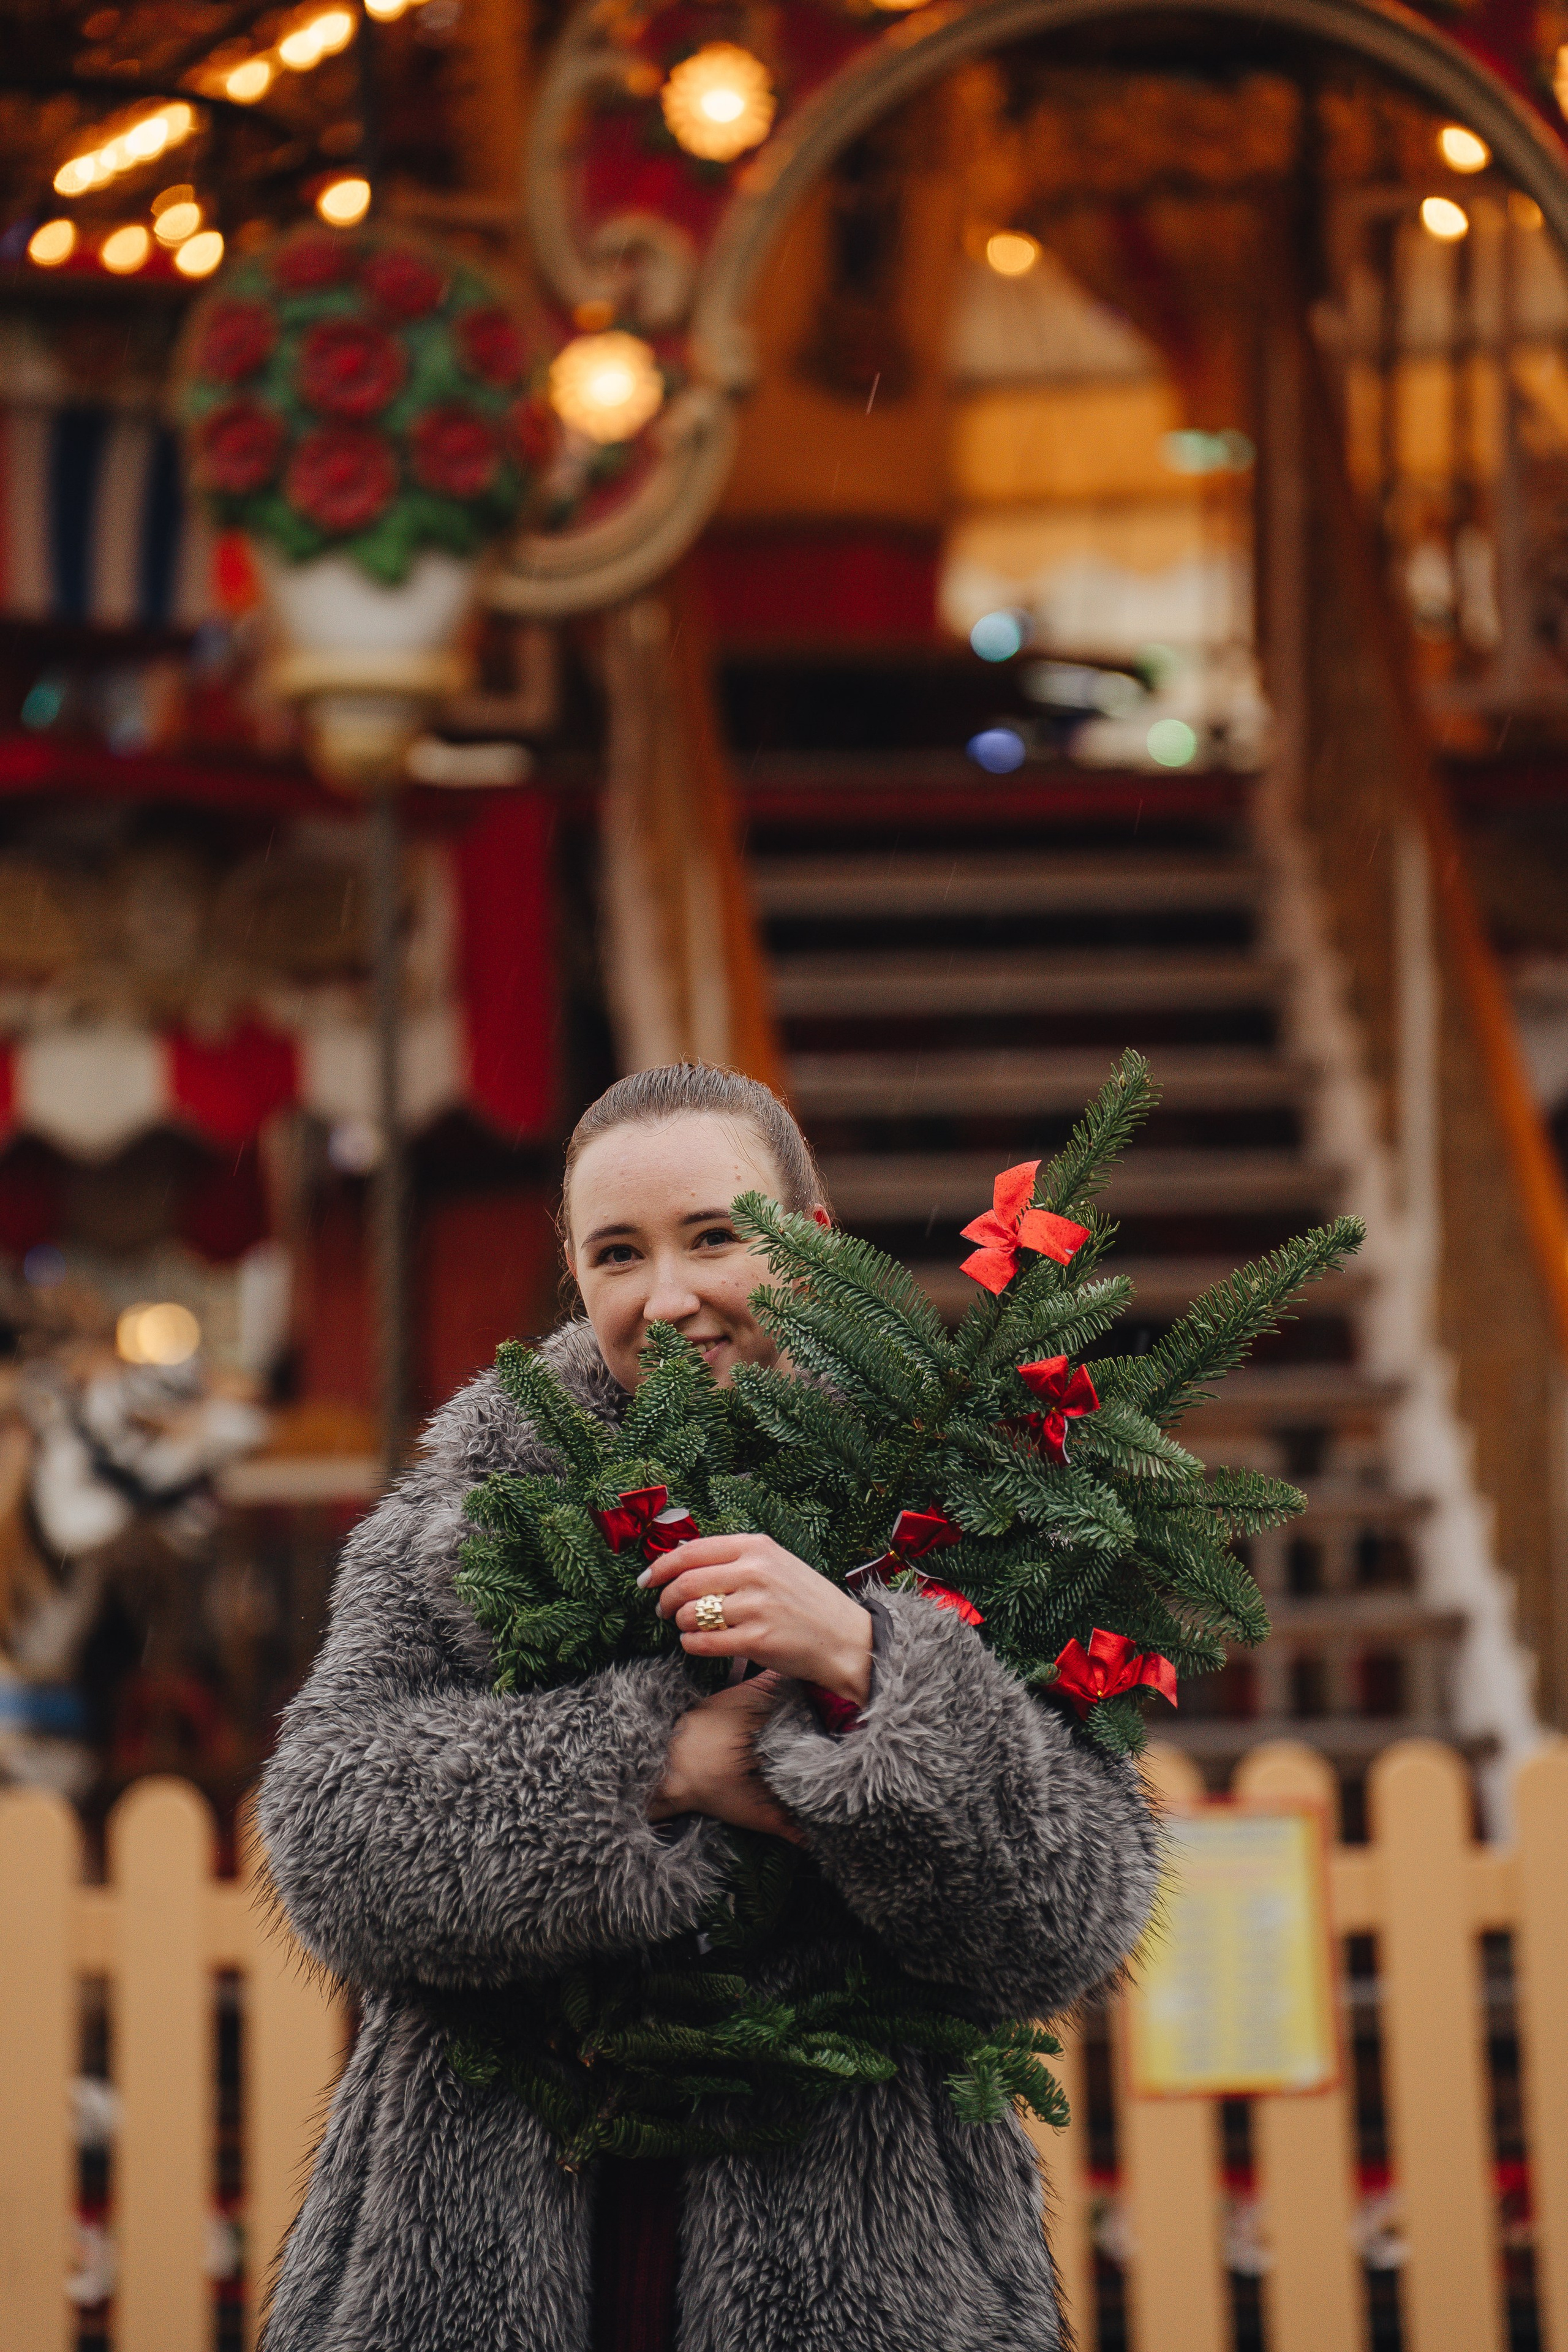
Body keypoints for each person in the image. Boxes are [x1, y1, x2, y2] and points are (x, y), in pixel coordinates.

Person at [258, 1062, 1161, 2352]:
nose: (668, 1296)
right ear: (574, 1273)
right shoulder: (461, 1520)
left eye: (714, 1237)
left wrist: (867, 1663)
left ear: (814, 1240)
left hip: (868, 2268)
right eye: (618, 1253)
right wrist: (658, 1763)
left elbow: (1065, 1921)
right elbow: (328, 1841)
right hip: (470, 2249)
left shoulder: (963, 1509)